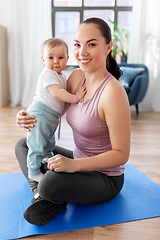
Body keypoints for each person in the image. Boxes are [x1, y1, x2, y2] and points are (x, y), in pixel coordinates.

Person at [15, 17, 130, 225]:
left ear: (108, 47)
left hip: (104, 177)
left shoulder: (113, 93)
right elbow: (55, 109)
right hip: (78, 159)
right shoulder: (76, 77)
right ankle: (41, 194)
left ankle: (47, 192)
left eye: (91, 44)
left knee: (51, 180)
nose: (82, 52)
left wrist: (74, 166)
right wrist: (27, 116)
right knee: (23, 144)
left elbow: (122, 155)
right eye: (77, 44)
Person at [25, 37, 86, 183]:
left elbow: (61, 103)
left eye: (60, 57)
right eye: (50, 57)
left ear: (67, 58)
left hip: (51, 117)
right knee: (37, 143)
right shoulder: (48, 74)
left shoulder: (61, 76)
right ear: (43, 59)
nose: (56, 61)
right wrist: (76, 97)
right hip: (40, 114)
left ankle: (46, 163)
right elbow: (58, 94)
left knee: (48, 144)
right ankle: (33, 172)